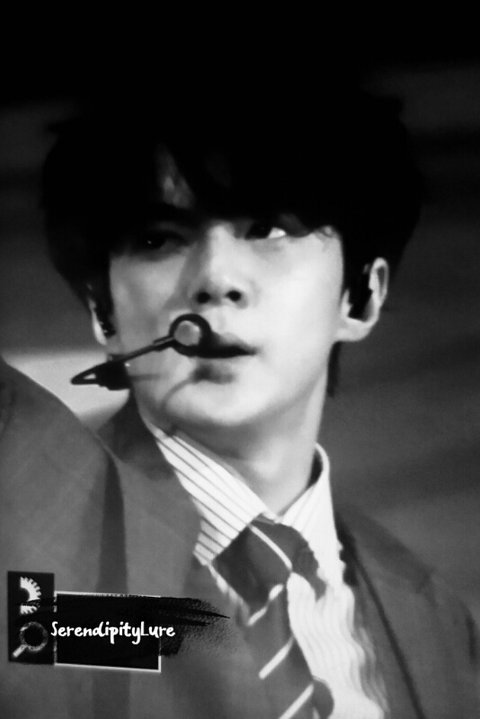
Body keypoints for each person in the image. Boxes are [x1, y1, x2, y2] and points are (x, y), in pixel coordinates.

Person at [42, 84, 479, 718]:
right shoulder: (30, 565)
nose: (216, 279)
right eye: (159, 239)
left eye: (268, 228)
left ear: (361, 295)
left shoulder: (437, 625)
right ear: (103, 311)